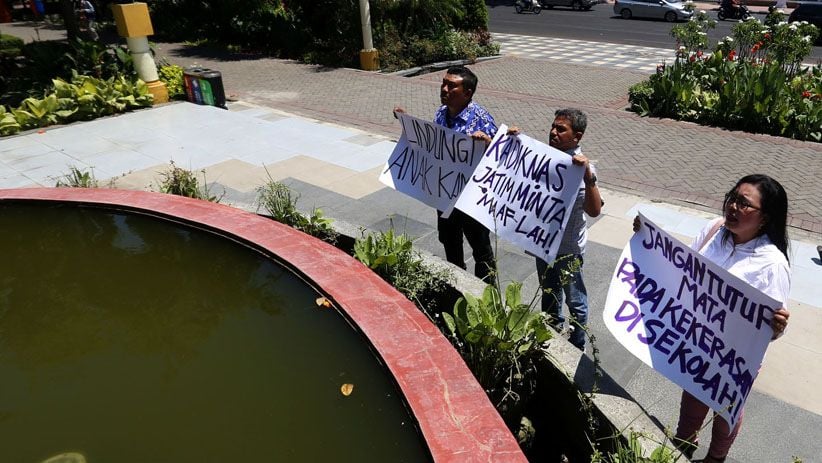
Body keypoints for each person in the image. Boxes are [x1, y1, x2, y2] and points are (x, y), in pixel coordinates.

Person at [634, 174, 792, 463]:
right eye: (732, 198)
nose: (732, 206)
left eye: (744, 204)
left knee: (725, 412)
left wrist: (777, 327)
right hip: (699, 343)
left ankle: (716, 457)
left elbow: (768, 331)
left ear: (765, 217)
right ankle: (684, 442)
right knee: (692, 397)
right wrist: (648, 241)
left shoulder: (772, 264)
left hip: (735, 357)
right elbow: (682, 269)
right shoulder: (713, 230)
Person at [394, 66, 497, 282]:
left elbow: (500, 160)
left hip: (471, 200)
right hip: (445, 196)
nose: (444, 88)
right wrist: (408, 124)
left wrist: (487, 144)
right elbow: (434, 147)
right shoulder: (441, 113)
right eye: (443, 83)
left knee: (482, 252)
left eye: (451, 85)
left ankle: (487, 298)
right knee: (450, 243)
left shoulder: (482, 119)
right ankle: (457, 285)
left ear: (467, 93)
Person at [533, 108, 602, 351]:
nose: (553, 132)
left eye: (561, 129)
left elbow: (594, 211)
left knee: (575, 300)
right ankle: (551, 333)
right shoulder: (543, 157)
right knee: (549, 293)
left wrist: (587, 176)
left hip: (568, 250)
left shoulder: (582, 168)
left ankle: (577, 345)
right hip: (543, 243)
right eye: (553, 126)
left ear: (577, 136)